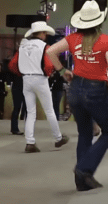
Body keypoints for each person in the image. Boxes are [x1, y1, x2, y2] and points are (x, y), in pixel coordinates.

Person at [46, 0, 108, 191]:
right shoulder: (107, 41)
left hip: (75, 89)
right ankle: (84, 169)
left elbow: (50, 50)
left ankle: (82, 181)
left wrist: (62, 71)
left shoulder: (72, 39)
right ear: (99, 21)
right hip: (97, 89)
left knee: (84, 133)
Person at [11, 21, 69, 153]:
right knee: (49, 111)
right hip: (40, 79)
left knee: (30, 112)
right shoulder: (45, 47)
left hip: (26, 79)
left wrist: (23, 73)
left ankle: (30, 142)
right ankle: (58, 138)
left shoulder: (22, 46)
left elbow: (13, 65)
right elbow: (49, 66)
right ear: (42, 33)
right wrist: (48, 74)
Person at [9, 66, 26, 135]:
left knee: (17, 108)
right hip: (21, 88)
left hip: (17, 88)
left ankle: (14, 128)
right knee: (19, 108)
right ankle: (16, 128)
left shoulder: (15, 66)